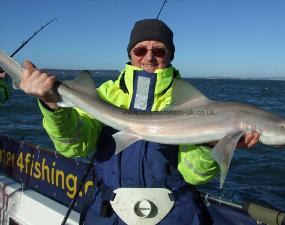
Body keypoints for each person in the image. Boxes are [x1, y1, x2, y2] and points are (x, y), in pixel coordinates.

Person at [20, 19, 260, 224]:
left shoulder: (192, 104)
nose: (149, 58)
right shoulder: (105, 94)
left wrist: (211, 144)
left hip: (174, 215)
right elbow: (74, 145)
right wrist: (52, 105)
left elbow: (195, 175)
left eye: (159, 51)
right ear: (130, 54)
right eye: (140, 50)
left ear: (170, 55)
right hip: (107, 213)